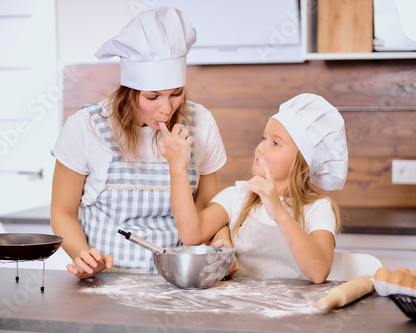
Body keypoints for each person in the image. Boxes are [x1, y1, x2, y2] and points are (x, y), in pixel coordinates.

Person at [50, 7, 227, 278]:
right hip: (106, 283)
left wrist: (220, 238)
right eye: (152, 97)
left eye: (176, 93)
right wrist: (83, 255)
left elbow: (206, 208)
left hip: (178, 282)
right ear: (130, 92)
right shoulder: (85, 127)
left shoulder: (200, 123)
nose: (166, 109)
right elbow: (62, 212)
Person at [159, 93, 348, 283]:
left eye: (275, 143)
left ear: (304, 164)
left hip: (295, 309)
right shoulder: (237, 196)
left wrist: (279, 212)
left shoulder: (319, 208)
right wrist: (178, 167)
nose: (260, 148)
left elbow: (319, 272)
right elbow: (192, 234)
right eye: (264, 138)